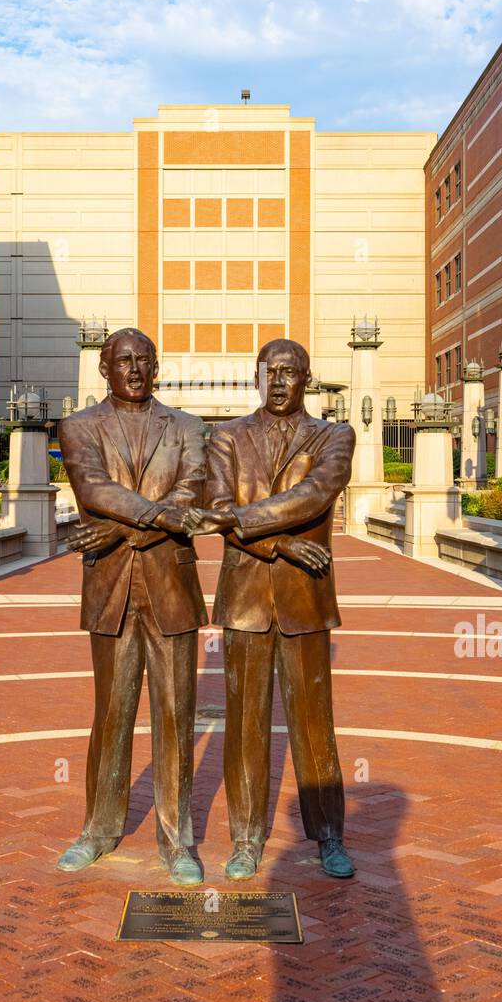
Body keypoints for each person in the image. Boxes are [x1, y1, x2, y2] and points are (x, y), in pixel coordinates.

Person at [187, 338, 355, 880]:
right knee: (244, 724)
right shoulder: (227, 438)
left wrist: (242, 521)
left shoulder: (335, 436)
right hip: (245, 600)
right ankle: (245, 838)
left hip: (306, 598)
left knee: (313, 723)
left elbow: (314, 495)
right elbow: (214, 511)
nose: (279, 381)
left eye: (290, 372)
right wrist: (280, 545)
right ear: (257, 377)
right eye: (270, 372)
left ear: (308, 378)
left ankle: (329, 834)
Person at [57, 327, 207, 886]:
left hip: (171, 588)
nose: (136, 370)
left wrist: (121, 534)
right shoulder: (79, 427)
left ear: (157, 367)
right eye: (125, 361)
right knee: (112, 714)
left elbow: (193, 494)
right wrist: (155, 522)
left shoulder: (190, 429)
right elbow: (93, 491)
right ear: (105, 368)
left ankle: (178, 842)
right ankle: (97, 829)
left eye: (145, 360)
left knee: (176, 718)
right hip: (111, 591)